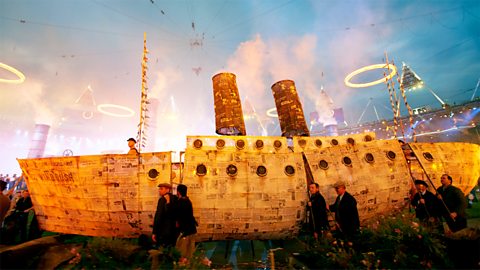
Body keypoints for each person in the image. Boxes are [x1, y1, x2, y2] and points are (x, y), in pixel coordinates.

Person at [152, 183, 178, 248]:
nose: (159, 191)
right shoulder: (175, 198)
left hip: (163, 230)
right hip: (173, 230)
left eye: (161, 189)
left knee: (162, 250)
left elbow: (159, 216)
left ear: (168, 189)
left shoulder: (162, 199)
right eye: (159, 189)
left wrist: (154, 232)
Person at [175, 184, 197, 260]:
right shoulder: (188, 201)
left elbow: (178, 216)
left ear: (178, 192)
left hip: (185, 232)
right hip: (192, 230)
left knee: (182, 253)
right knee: (190, 253)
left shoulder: (180, 203)